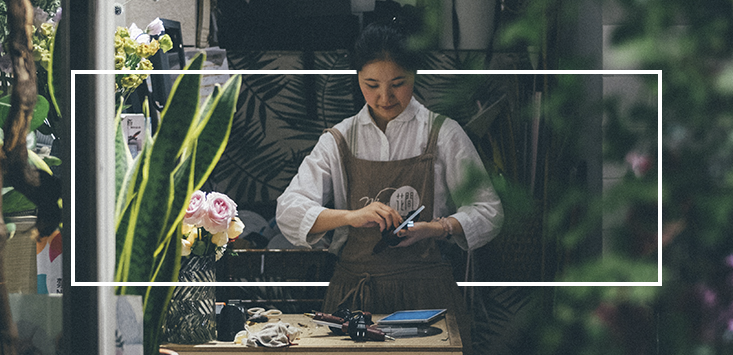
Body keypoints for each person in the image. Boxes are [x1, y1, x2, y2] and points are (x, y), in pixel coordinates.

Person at [276, 21, 503, 352]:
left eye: (398, 84)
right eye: (371, 85)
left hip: (427, 296)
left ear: (414, 76)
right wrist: (350, 217)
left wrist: (436, 228)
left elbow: (489, 211)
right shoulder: (339, 140)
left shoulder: (443, 134)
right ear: (357, 80)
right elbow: (289, 209)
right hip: (353, 296)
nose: (384, 97)